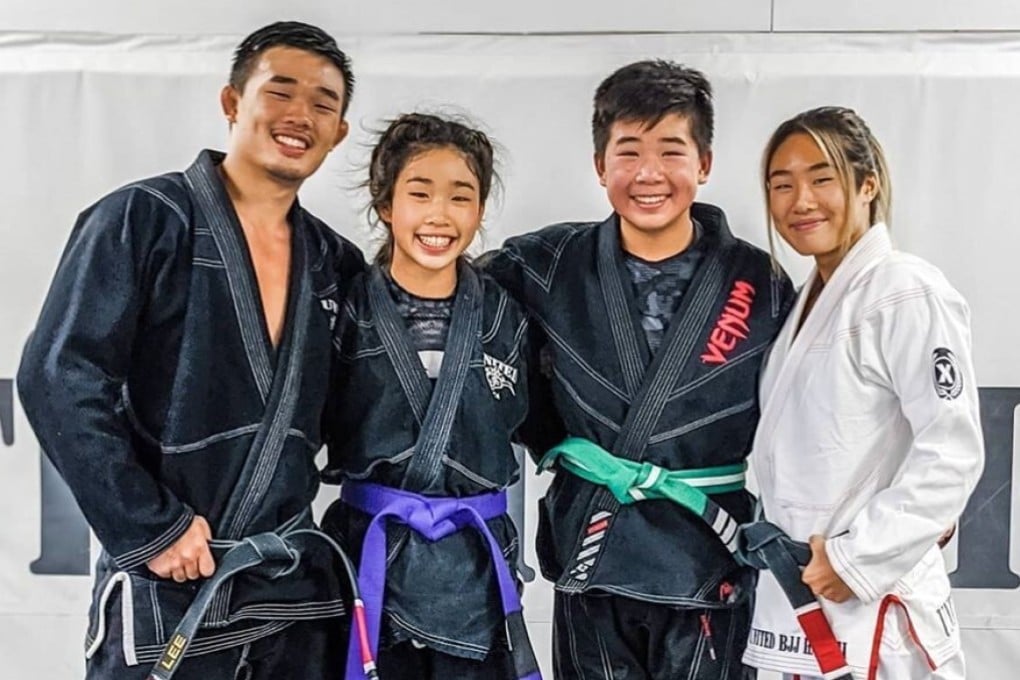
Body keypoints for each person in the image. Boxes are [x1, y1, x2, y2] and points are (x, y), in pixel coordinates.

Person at [16, 21, 365, 680]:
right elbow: (59, 373)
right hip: (173, 577)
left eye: (324, 103)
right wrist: (151, 526)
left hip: (290, 590)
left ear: (340, 132)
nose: (301, 115)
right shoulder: (141, 219)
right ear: (233, 102)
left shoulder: (335, 263)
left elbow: (353, 417)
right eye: (279, 91)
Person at [481, 60, 795, 679]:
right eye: (628, 152)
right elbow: (460, 326)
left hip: (708, 554)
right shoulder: (543, 267)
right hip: (594, 551)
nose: (649, 174)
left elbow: (827, 412)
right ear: (600, 166)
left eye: (671, 151)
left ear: (704, 164)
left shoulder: (762, 285)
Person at [742, 106, 984, 680]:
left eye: (821, 178)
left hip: (872, 602)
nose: (801, 201)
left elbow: (951, 452)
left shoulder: (904, 290)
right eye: (782, 185)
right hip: (802, 598)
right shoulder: (806, 301)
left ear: (867, 183)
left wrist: (855, 557)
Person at [320, 113, 542, 680]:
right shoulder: (348, 311)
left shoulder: (504, 316)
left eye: (460, 197)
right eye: (420, 194)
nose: (439, 215)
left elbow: (520, 417)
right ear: (386, 204)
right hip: (370, 562)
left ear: (481, 210)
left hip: (472, 571)